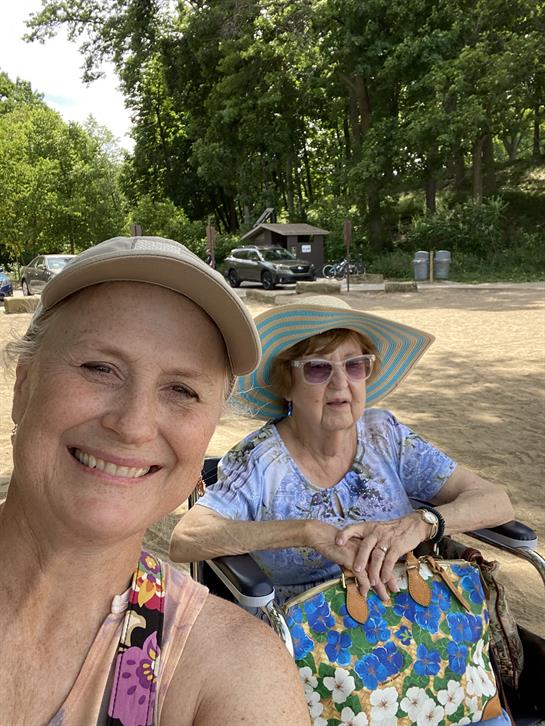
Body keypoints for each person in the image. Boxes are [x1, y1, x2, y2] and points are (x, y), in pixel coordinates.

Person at [0, 236, 310, 725]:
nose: (134, 425)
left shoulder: (234, 673)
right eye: (100, 368)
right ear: (23, 386)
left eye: (182, 390)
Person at [170, 295, 514, 609]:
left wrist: (423, 523)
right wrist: (306, 531)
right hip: (309, 640)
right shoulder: (259, 460)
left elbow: (496, 501)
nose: (340, 383)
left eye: (354, 365)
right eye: (318, 368)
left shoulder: (387, 436)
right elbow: (186, 538)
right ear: (287, 384)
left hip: (414, 621)